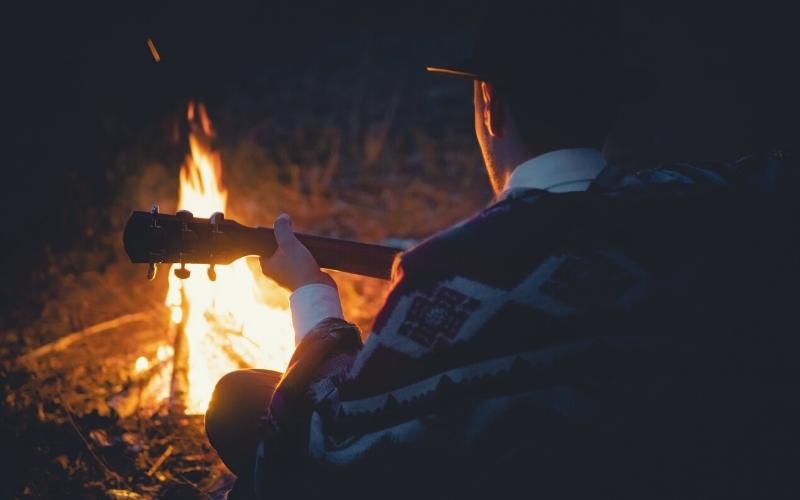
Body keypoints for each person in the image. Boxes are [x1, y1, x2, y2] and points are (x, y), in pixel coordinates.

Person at [206, 2, 798, 498]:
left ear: (488, 102)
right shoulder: (722, 202)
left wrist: (314, 296)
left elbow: (323, 454)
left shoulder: (446, 278)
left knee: (240, 406)